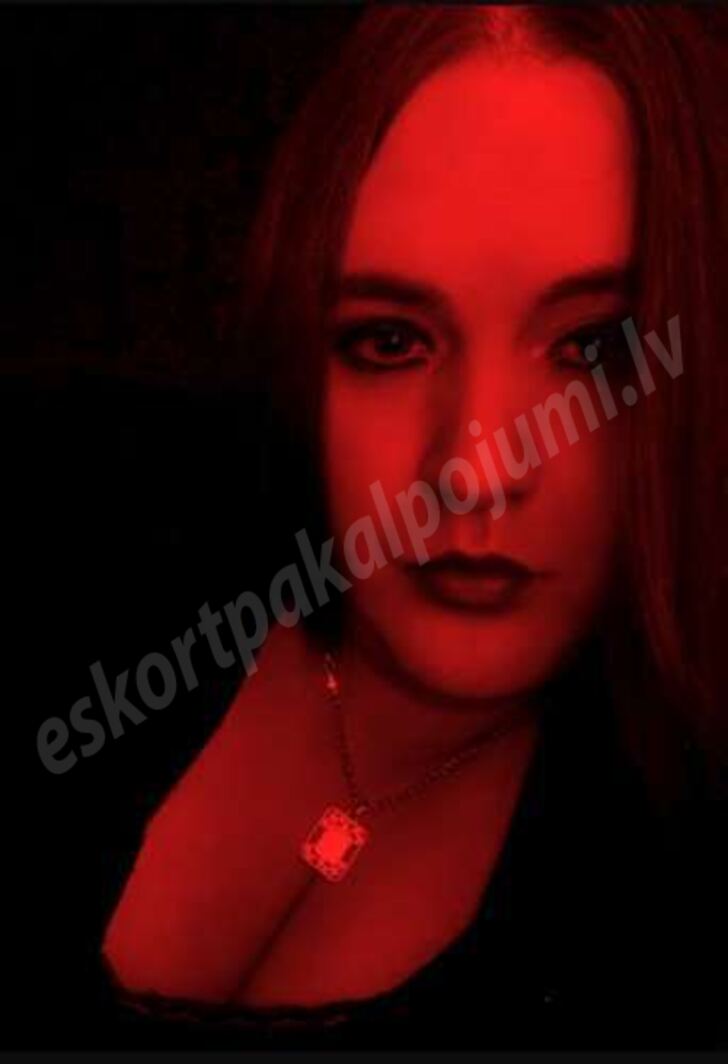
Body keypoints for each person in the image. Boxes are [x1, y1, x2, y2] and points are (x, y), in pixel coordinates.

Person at [99, 4, 728, 1049]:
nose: (473, 471)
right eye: (390, 341)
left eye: (591, 352)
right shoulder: (104, 538)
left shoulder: (668, 897)